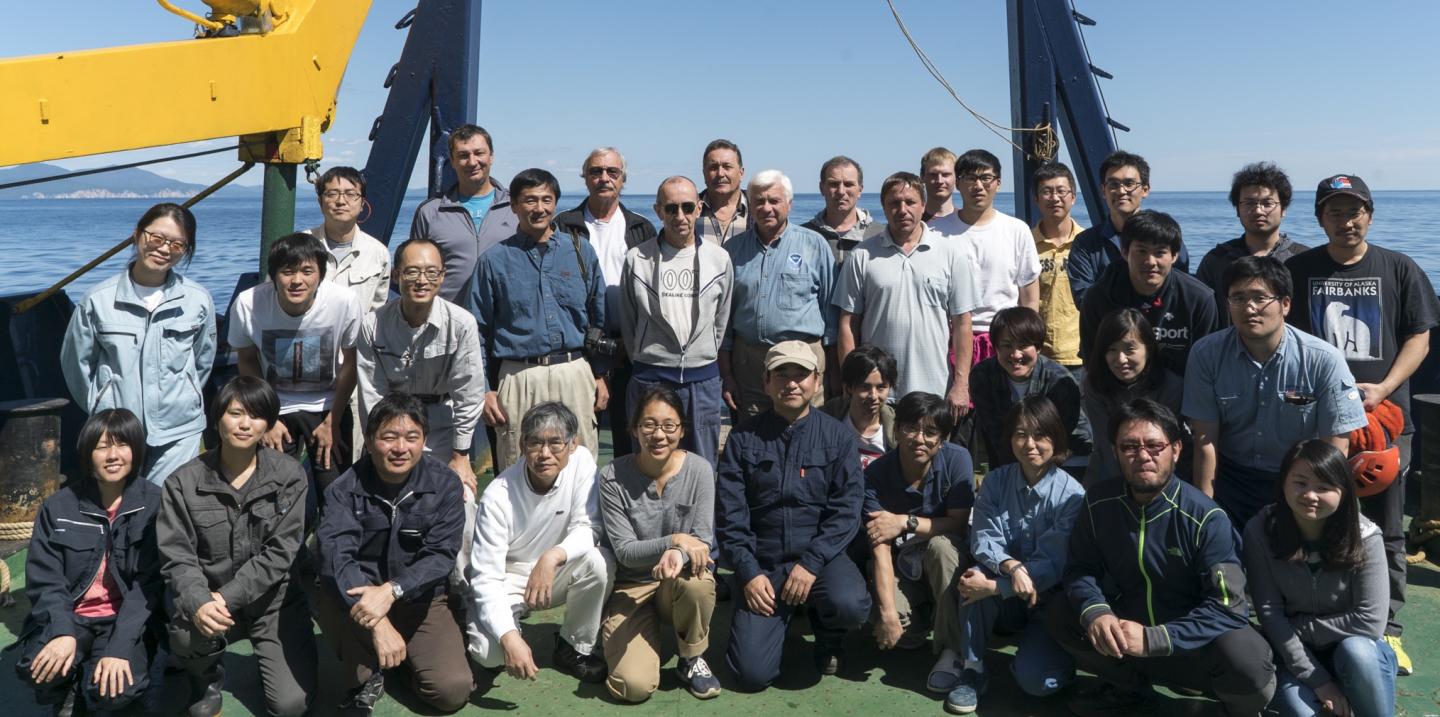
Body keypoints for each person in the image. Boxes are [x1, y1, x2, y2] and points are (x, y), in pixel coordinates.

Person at [1286, 173, 1440, 673]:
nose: (1345, 220)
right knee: (1315, 518)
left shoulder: (1399, 267)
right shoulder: (1299, 269)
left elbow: (1419, 337)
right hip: (1318, 422)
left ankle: (1389, 629)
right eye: (1334, 211)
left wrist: (1385, 386)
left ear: (1369, 215)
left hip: (1386, 423)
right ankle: (1321, 622)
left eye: (1354, 211)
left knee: (1388, 528)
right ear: (1319, 219)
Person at [1047, 399, 1276, 717]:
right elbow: (1080, 569)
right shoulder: (1098, 503)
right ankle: (1129, 690)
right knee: (1061, 611)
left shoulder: (1207, 519)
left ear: (1177, 450)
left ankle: (1234, 709)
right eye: (1129, 446)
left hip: (1190, 646)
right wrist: (1097, 613)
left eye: (1154, 445)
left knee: (1247, 659)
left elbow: (1228, 607)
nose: (1142, 456)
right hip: (1127, 636)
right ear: (1115, 452)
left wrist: (1156, 638)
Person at [717, 341, 870, 690]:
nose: (791, 384)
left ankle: (827, 632)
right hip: (764, 560)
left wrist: (813, 563)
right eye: (781, 375)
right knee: (751, 674)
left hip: (820, 557)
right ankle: (778, 620)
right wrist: (748, 572)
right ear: (766, 382)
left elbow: (847, 510)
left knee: (850, 604)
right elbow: (730, 517)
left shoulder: (838, 437)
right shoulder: (743, 439)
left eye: (801, 375)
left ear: (816, 381)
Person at [159, 376, 315, 717]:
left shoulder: (290, 475)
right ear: (217, 418)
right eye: (235, 413)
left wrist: (226, 596)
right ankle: (206, 680)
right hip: (210, 602)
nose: (245, 424)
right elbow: (177, 556)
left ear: (268, 424)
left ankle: (272, 655)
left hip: (273, 603)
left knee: (290, 706)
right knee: (185, 634)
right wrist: (200, 601)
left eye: (257, 415)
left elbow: (281, 553)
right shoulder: (182, 483)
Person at [1185, 256, 1368, 529]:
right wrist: (1205, 512)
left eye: (1260, 298)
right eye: (1238, 298)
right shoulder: (1206, 354)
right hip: (1230, 475)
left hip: (1300, 478)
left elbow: (1335, 445)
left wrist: (1313, 501)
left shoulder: (1324, 360)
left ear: (1285, 304)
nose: (1249, 308)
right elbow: (1205, 441)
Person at [316, 393, 471, 716]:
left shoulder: (445, 486)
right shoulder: (343, 490)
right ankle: (370, 672)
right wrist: (379, 623)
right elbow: (337, 561)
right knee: (353, 678)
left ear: (424, 441)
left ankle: (403, 664)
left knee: (450, 691)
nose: (401, 447)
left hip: (420, 599)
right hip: (358, 601)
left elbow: (441, 556)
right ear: (370, 442)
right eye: (389, 437)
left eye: (411, 437)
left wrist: (392, 591)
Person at [356, 236, 485, 588]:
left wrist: (461, 456)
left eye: (431, 272)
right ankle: (383, 581)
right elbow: (371, 393)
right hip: (391, 427)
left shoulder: (461, 324)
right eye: (412, 271)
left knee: (463, 499)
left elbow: (469, 392)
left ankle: (463, 587)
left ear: (443, 277)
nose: (421, 280)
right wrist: (380, 446)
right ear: (397, 275)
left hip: (442, 425)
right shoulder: (373, 325)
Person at [15, 409, 162, 716]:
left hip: (121, 619)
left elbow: (147, 586)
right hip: (73, 616)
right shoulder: (58, 507)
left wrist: (120, 648)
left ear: (136, 449)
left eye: (122, 444)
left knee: (116, 690)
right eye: (101, 446)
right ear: (86, 453)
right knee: (38, 667)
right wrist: (61, 631)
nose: (112, 455)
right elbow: (46, 580)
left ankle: (104, 677)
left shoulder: (154, 503)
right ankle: (65, 687)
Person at [61, 203, 216, 485]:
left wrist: (186, 395)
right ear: (137, 235)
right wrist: (100, 405)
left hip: (179, 427)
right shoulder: (98, 300)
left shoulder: (198, 300)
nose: (164, 249)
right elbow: (76, 364)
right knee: (117, 506)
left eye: (177, 244)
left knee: (165, 505)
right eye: (156, 238)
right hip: (116, 427)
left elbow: (203, 359)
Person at [946, 396, 1083, 714]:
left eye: (1040, 435)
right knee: (974, 576)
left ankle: (1055, 660)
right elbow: (982, 538)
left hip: (1049, 603)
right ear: (1010, 439)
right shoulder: (995, 481)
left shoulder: (1073, 496)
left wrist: (998, 586)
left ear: (1056, 438)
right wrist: (1012, 567)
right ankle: (973, 668)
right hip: (1007, 596)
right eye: (1021, 434)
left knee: (1036, 683)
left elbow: (1054, 564)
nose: (1030, 444)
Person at [1243, 440, 1397, 717]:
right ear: (1284, 483)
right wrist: (1320, 682)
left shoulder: (1366, 537)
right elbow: (1269, 613)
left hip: (1356, 651)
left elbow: (1370, 622)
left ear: (1343, 492)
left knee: (1357, 652)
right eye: (1300, 483)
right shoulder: (1260, 532)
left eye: (1324, 487)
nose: (1310, 495)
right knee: (1303, 713)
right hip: (1295, 656)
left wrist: (1297, 627)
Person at [471, 168, 608, 471]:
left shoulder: (581, 251)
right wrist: (484, 388)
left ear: (556, 203)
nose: (539, 208)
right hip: (520, 376)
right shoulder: (494, 261)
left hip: (573, 371)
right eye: (529, 200)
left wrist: (599, 374)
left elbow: (598, 317)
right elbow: (477, 330)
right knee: (518, 464)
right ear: (514, 206)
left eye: (546, 199)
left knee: (580, 464)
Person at [467, 402, 613, 684]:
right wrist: (509, 639)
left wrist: (552, 557)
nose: (545, 454)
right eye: (535, 443)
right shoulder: (497, 496)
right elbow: (486, 577)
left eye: (555, 443)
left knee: (599, 561)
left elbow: (589, 527)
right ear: (522, 445)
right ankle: (493, 624)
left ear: (573, 444)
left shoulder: (582, 461)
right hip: (509, 576)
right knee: (489, 654)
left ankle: (573, 646)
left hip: (555, 567)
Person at [598, 388, 721, 702]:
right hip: (632, 586)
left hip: (676, 579)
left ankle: (691, 657)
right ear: (634, 429)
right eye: (648, 425)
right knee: (632, 687)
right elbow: (624, 550)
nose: (659, 435)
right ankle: (625, 634)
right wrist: (676, 540)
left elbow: (703, 540)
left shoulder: (700, 471)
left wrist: (678, 553)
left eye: (669, 426)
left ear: (681, 430)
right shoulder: (612, 476)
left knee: (698, 582)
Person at [834, 171, 979, 414]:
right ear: (883, 207)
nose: (902, 209)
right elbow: (848, 325)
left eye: (910, 202)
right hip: (878, 393)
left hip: (935, 390)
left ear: (923, 205)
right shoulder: (862, 255)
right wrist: (852, 382)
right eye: (894, 203)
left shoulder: (951, 253)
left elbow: (963, 323)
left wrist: (961, 384)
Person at [228, 232, 364, 487]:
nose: (297, 280)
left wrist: (332, 421)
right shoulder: (249, 303)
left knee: (336, 490)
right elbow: (246, 359)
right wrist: (266, 418)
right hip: (275, 404)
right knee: (273, 489)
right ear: (273, 275)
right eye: (287, 271)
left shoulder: (343, 302)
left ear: (321, 275)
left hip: (328, 404)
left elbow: (351, 361)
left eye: (307, 271)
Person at [617, 176, 734, 467]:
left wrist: (702, 353)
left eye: (687, 207)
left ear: (699, 208)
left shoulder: (719, 259)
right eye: (671, 208)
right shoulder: (637, 259)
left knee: (702, 464)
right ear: (658, 211)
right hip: (650, 377)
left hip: (702, 379)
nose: (679, 216)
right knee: (648, 463)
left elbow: (721, 321)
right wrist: (647, 357)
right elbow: (629, 320)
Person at [862, 392, 974, 694]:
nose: (919, 438)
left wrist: (905, 521)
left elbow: (959, 524)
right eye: (911, 428)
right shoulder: (876, 474)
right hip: (902, 564)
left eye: (930, 432)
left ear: (943, 438)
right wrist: (886, 613)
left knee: (941, 547)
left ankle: (953, 651)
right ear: (896, 429)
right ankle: (926, 616)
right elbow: (879, 546)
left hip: (943, 557)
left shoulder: (957, 459)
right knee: (901, 634)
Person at [555, 147, 658, 458]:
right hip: (580, 347)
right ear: (585, 179)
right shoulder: (564, 225)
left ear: (623, 180)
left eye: (612, 172)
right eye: (596, 172)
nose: (604, 178)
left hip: (630, 348)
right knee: (580, 442)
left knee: (631, 438)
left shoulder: (641, 228)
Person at [720, 170, 836, 419]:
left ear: (789, 204)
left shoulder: (815, 245)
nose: (766, 208)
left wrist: (833, 374)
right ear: (749, 205)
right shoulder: (731, 251)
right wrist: (727, 374)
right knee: (753, 438)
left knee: (808, 434)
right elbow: (724, 321)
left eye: (774, 200)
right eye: (759, 201)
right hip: (750, 366)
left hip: (803, 362)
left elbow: (830, 315)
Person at [929, 149, 1041, 362]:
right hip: (948, 338)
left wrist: (1028, 339)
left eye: (986, 178)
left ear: (998, 183)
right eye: (970, 178)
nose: (978, 186)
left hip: (1005, 338)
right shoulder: (935, 231)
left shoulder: (1017, 229)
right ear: (958, 183)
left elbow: (1029, 294)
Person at [1078, 209, 1216, 375]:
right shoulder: (1098, 297)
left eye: (1160, 253)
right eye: (1141, 251)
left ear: (1174, 256)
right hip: (1116, 391)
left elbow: (1207, 365)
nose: (1150, 262)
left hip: (1179, 393)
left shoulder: (1199, 299)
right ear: (1124, 252)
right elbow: (1092, 361)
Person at [408, 123, 517, 305]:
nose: (472, 162)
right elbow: (415, 267)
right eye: (463, 155)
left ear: (491, 157)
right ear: (452, 161)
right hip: (448, 321)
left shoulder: (515, 207)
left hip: (505, 322)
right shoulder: (430, 212)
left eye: (479, 153)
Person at [1066, 150, 1190, 306]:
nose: (1121, 191)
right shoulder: (1086, 244)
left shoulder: (1165, 236)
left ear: (1145, 189)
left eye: (1129, 183)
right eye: (1113, 184)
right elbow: (1084, 299)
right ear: (1103, 190)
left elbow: (1182, 289)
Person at [970, 307, 1085, 469]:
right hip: (1008, 461)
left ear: (1038, 347)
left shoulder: (1060, 381)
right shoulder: (982, 376)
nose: (1016, 354)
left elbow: (1068, 436)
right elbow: (996, 435)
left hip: (1061, 459)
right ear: (996, 347)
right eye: (1007, 345)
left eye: (1023, 345)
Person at [1082, 308, 1184, 483]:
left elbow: (1166, 446)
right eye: (1111, 350)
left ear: (1149, 349)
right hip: (1110, 473)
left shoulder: (1171, 386)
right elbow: (1106, 445)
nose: (1121, 359)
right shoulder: (1094, 385)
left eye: (1130, 349)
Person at [1195, 162, 1307, 317]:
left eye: (1268, 203)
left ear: (1284, 209)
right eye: (1249, 203)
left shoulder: (1303, 259)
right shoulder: (1217, 260)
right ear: (1237, 209)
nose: (1258, 211)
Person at [309, 165, 390, 314]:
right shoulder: (300, 245)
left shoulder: (378, 252)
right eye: (332, 194)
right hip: (307, 336)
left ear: (362, 205)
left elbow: (377, 311)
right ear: (320, 202)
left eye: (351, 194)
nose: (341, 201)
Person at [1031, 162, 1087, 374]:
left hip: (1080, 355)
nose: (1054, 198)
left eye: (1061, 191)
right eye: (1046, 192)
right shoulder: (1025, 243)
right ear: (1036, 199)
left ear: (1073, 197)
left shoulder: (1087, 244)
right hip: (1036, 355)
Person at [821, 344, 897, 469]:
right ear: (848, 387)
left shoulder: (896, 429)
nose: (873, 396)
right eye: (864, 387)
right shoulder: (827, 419)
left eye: (881, 387)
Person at [801, 155, 884, 266]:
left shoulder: (881, 235)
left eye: (848, 184)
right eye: (834, 184)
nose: (841, 191)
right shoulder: (803, 236)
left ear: (860, 190)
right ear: (822, 188)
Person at [695, 139, 748, 244]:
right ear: (704, 173)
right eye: (713, 167)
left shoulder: (757, 210)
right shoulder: (689, 209)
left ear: (741, 173)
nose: (720, 173)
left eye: (727, 167)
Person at [920, 147, 958, 222]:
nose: (939, 181)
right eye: (933, 175)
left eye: (946, 174)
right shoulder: (913, 223)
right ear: (922, 177)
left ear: (956, 178)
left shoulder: (966, 222)